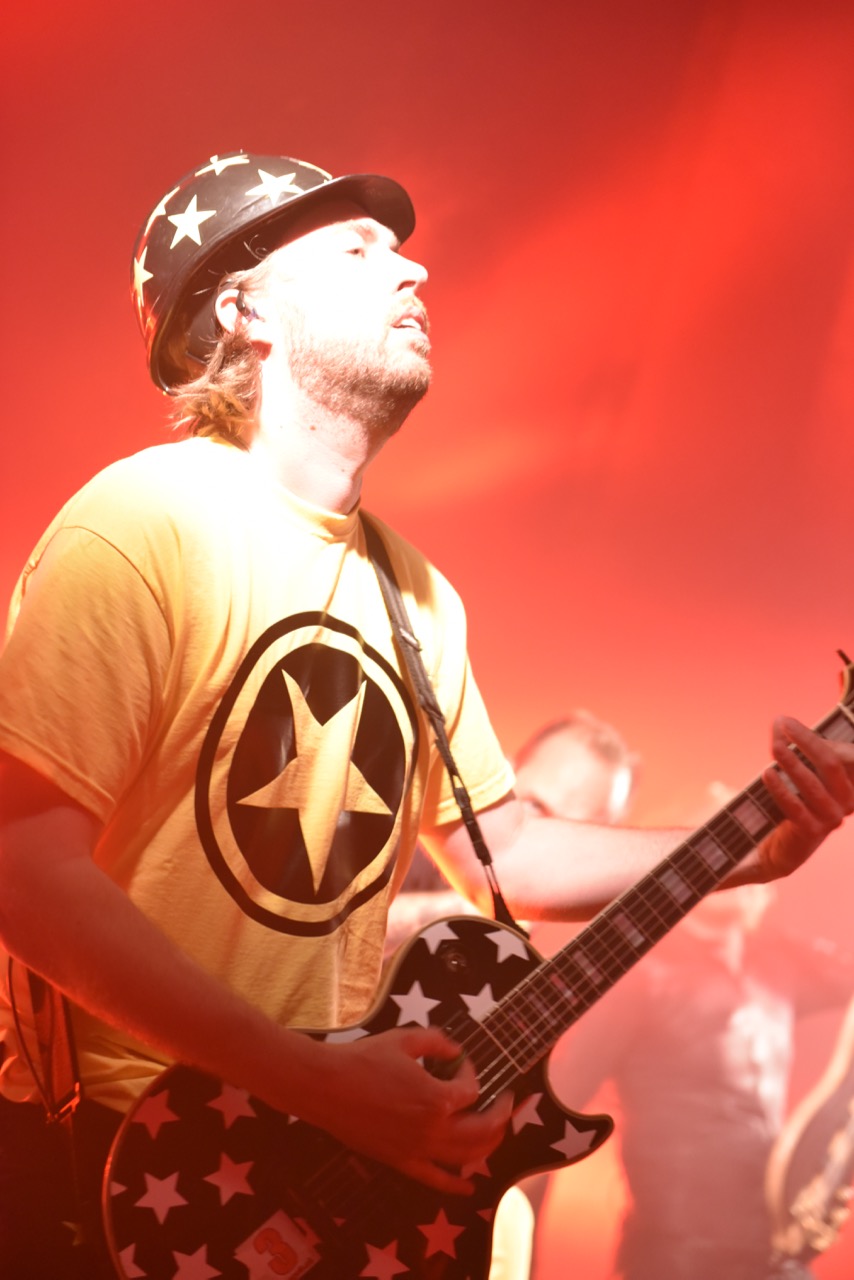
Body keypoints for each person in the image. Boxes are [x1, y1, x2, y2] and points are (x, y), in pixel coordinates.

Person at [0, 151, 851, 1279]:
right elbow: (22, 868)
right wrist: (315, 1083)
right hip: (140, 1181)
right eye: (359, 250)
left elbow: (512, 849)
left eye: (398, 249)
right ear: (245, 312)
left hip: (318, 1176)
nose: (413, 270)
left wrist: (753, 847)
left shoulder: (418, 597)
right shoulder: (141, 524)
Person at [538, 875, 854, 1280]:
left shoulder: (776, 967)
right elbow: (552, 1113)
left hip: (774, 1248)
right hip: (678, 1253)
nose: (743, 869)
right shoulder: (637, 977)